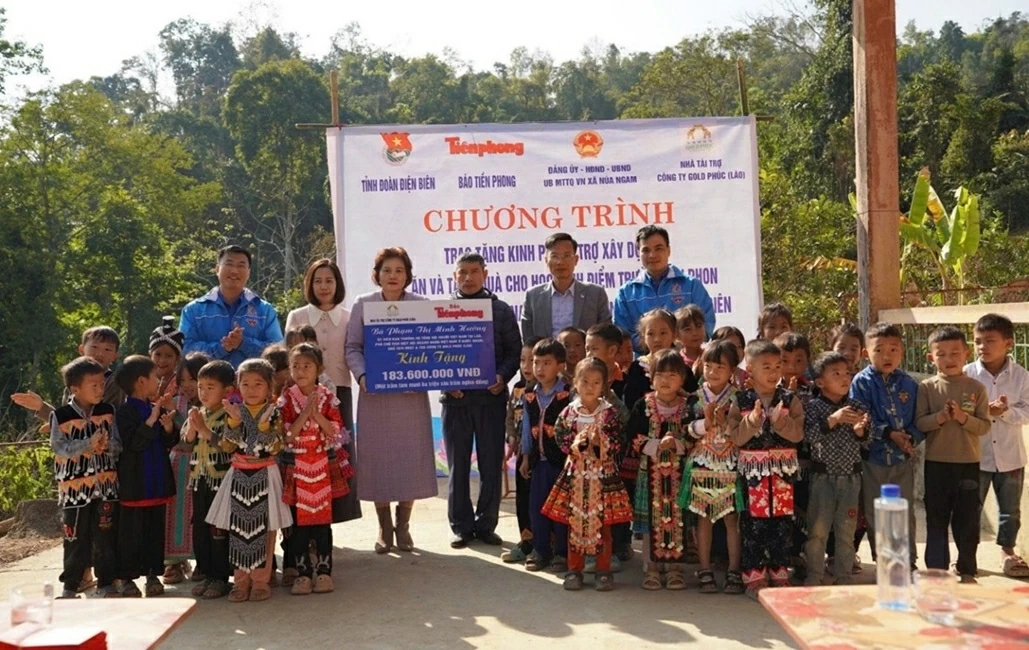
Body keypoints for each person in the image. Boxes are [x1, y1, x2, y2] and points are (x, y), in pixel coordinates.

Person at [345, 247, 437, 554]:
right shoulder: (364, 304)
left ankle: (403, 526)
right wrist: (362, 376)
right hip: (375, 396)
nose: (393, 276)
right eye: (387, 270)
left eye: (399, 270)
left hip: (410, 397)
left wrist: (420, 376)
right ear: (377, 275)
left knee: (410, 457)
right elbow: (353, 348)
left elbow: (431, 347)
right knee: (378, 459)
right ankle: (384, 527)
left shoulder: (421, 305)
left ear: (408, 275)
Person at [441, 252, 522, 548]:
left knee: (490, 465)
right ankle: (461, 526)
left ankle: (487, 524)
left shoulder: (500, 310)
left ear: (485, 274)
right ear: (454, 276)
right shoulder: (442, 311)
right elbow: (434, 354)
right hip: (455, 401)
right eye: (462, 272)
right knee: (458, 466)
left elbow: (515, 351)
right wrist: (447, 381)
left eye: (474, 271)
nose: (468, 277)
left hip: (491, 399)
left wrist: (502, 376)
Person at [542, 358, 632, 592]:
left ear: (604, 385)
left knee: (603, 525)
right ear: (575, 383)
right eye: (585, 381)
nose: (590, 387)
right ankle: (575, 570)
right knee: (575, 524)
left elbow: (619, 440)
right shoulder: (568, 412)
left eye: (596, 382)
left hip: (603, 476)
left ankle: (603, 571)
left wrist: (600, 442)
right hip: (577, 475)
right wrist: (578, 443)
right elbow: (560, 438)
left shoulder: (609, 413)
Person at [208, 359, 292, 602]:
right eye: (245, 384)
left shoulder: (273, 413)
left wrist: (264, 427)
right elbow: (226, 446)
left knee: (264, 530)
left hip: (264, 474)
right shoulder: (234, 411)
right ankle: (241, 581)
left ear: (269, 387)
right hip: (239, 476)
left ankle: (261, 580)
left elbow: (275, 447)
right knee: (238, 530)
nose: (251, 389)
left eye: (258, 384)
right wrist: (234, 422)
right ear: (238, 386)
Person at [285, 259, 360, 523]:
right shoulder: (297, 316)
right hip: (302, 394)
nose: (324, 286)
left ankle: (334, 518)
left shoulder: (350, 317)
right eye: (318, 281)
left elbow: (356, 353)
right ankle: (305, 521)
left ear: (338, 284)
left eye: (329, 280)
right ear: (309, 284)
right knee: (304, 456)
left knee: (337, 454)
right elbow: (289, 356)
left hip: (339, 393)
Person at [729, 340, 804, 599]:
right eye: (766, 367)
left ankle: (779, 573)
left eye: (777, 366)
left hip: (782, 472)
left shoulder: (790, 399)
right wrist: (752, 421)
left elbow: (798, 435)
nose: (774, 372)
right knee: (753, 525)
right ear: (750, 369)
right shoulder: (741, 400)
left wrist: (780, 423)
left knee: (782, 524)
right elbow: (736, 437)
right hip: (754, 474)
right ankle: (754, 577)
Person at [916, 326, 990, 583]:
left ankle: (967, 568)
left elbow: (984, 426)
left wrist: (961, 417)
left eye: (955, 353)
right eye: (941, 354)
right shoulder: (927, 387)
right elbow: (920, 423)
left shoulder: (976, 388)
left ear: (967, 354)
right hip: (936, 464)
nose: (949, 359)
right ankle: (936, 569)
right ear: (931, 358)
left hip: (968, 463)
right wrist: (940, 417)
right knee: (936, 518)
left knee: (967, 519)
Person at [278, 344, 352, 595]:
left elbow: (335, 432)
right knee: (298, 523)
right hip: (296, 467)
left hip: (322, 465)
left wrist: (316, 414)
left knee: (322, 522)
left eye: (307, 366)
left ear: (319, 369)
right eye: (295, 366)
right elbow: (287, 436)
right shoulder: (287, 398)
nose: (300, 371)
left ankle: (323, 572)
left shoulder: (328, 397)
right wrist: (305, 414)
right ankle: (302, 574)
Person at [848, 322, 922, 569]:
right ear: (865, 353)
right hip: (873, 459)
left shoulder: (909, 384)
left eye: (893, 349)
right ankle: (883, 560)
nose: (887, 356)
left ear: (902, 351)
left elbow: (919, 418)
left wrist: (910, 438)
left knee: (904, 510)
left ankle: (907, 560)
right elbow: (860, 417)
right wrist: (889, 433)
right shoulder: (861, 383)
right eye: (879, 350)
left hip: (902, 459)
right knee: (876, 512)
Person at [50, 357, 121, 599]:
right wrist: (87, 444)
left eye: (102, 384)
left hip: (106, 488)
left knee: (105, 537)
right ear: (75, 389)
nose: (100, 389)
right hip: (75, 492)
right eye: (94, 385)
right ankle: (70, 586)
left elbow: (118, 445)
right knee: (74, 539)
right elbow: (59, 448)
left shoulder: (108, 411)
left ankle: (106, 583)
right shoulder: (61, 416)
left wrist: (106, 446)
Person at [965, 314, 1029, 578]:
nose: (983, 347)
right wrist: (984, 412)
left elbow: (1027, 411)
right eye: (978, 341)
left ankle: (1008, 552)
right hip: (975, 456)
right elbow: (960, 411)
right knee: (970, 508)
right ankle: (966, 555)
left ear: (1008, 343)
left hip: (1010, 456)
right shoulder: (967, 375)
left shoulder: (1022, 377)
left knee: (1010, 511)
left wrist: (1004, 412)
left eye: (990, 341)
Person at [679, 341, 744, 594]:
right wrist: (705, 424)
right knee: (703, 516)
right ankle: (704, 568)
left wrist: (726, 423)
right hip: (702, 463)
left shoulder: (738, 398)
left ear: (732, 370)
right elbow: (686, 431)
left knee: (732, 519)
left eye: (720, 367)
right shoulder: (695, 398)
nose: (713, 371)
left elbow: (742, 432)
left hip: (730, 463)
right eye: (708, 366)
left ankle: (734, 570)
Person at [627, 349, 694, 590]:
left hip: (679, 475)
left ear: (682, 379)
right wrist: (656, 445)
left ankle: (675, 569)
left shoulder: (688, 407)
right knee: (650, 523)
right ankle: (652, 567)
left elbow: (694, 438)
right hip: (650, 474)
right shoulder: (642, 405)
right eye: (660, 375)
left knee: (678, 521)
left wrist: (676, 444)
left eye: (672, 375)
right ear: (652, 377)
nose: (665, 380)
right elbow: (633, 436)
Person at [803, 352, 869, 586]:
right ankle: (815, 574)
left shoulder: (857, 406)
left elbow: (867, 441)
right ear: (820, 382)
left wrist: (860, 431)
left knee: (846, 530)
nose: (844, 378)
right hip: (823, 477)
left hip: (851, 477)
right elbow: (808, 437)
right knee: (818, 529)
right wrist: (833, 420)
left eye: (847, 373)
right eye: (836, 374)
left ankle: (843, 575)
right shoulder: (814, 407)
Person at [114, 355, 178, 598]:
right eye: (154, 377)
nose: (158, 382)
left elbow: (168, 440)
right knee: (130, 533)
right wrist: (151, 420)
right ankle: (127, 578)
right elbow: (134, 443)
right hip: (135, 483)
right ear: (141, 381)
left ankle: (153, 575)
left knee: (154, 531)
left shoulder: (154, 408)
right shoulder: (125, 412)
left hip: (157, 482)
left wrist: (168, 426)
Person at [179, 245, 283, 369]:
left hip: (251, 381)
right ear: (217, 269)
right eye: (229, 264)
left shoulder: (265, 311)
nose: (234, 271)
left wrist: (243, 343)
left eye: (241, 265)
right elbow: (185, 349)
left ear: (248, 272)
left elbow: (278, 352)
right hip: (206, 381)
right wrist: (221, 348)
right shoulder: (194, 311)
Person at [613, 226, 715, 352]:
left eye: (658, 248)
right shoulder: (626, 293)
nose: (652, 255)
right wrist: (654, 347)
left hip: (686, 361)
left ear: (669, 250)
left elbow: (707, 324)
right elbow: (624, 335)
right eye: (646, 250)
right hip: (645, 361)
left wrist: (677, 346)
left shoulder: (692, 285)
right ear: (638, 253)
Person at [182, 360, 235, 600]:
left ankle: (221, 577)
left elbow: (229, 445)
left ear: (227, 390)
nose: (203, 392)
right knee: (200, 528)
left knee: (219, 530)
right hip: (199, 479)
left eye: (210, 387)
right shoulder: (198, 412)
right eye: (200, 387)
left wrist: (204, 430)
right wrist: (193, 428)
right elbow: (186, 442)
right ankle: (206, 573)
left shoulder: (230, 415)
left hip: (221, 481)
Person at [518, 338, 572, 573]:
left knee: (561, 509)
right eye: (536, 362)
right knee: (537, 508)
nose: (539, 368)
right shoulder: (529, 395)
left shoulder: (568, 395)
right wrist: (525, 457)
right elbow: (526, 428)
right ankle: (540, 551)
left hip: (561, 464)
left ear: (560, 365)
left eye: (546, 363)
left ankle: (561, 553)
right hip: (537, 463)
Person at [584, 323, 632, 565]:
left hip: (617, 459)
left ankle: (619, 545)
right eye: (587, 349)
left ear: (612, 351)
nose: (588, 354)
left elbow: (627, 422)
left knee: (616, 503)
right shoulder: (582, 380)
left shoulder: (628, 380)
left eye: (593, 349)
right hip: (586, 461)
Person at [13, 326, 124, 430]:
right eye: (94, 347)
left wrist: (61, 425)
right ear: (81, 349)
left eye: (107, 349)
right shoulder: (74, 383)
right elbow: (67, 419)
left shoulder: (115, 383)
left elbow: (104, 424)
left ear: (115, 356)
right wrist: (41, 407)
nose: (100, 353)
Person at [825, 322, 868, 576]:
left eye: (854, 348)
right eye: (842, 347)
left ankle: (848, 553)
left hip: (858, 459)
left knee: (855, 512)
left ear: (862, 352)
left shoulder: (864, 381)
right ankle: (830, 555)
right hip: (827, 462)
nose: (848, 353)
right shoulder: (821, 380)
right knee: (826, 512)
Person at [520, 232, 612, 341]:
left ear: (576, 260)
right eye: (554, 256)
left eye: (566, 256)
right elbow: (528, 340)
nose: (560, 262)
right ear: (546, 261)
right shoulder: (533, 296)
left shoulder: (595, 294)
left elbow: (605, 336)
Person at [774, 331, 814, 580]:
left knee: (802, 506)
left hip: (804, 461)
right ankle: (780, 557)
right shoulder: (769, 389)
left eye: (798, 360)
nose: (791, 367)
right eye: (784, 361)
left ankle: (798, 554)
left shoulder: (813, 390)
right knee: (780, 509)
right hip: (777, 461)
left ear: (807, 361)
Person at [501, 339, 539, 564]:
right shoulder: (517, 388)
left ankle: (545, 545)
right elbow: (509, 418)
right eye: (522, 360)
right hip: (520, 456)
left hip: (541, 456)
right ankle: (526, 542)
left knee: (539, 500)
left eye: (532, 361)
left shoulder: (553, 390)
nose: (526, 366)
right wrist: (512, 438)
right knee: (523, 501)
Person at [675, 304, 707, 371]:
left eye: (698, 326)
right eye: (688, 329)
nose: (694, 333)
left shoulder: (712, 357)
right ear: (677, 335)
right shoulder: (676, 361)